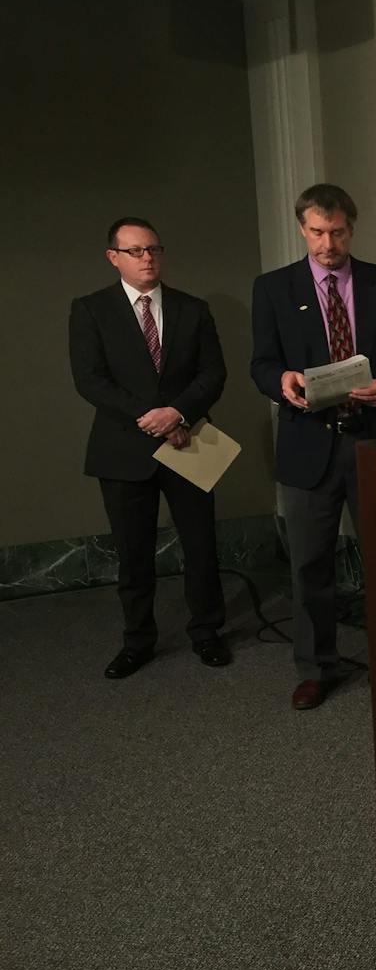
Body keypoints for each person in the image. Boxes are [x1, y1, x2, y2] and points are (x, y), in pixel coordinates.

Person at [251, 184, 376, 709]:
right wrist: (281, 379)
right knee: (310, 565)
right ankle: (315, 667)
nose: (328, 243)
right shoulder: (274, 288)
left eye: (338, 232)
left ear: (352, 228)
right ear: (302, 229)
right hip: (309, 446)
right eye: (317, 232)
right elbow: (260, 364)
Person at [69, 217, 230, 678]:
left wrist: (177, 414)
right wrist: (155, 420)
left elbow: (213, 374)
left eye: (154, 249)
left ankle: (207, 632)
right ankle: (138, 640)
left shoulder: (192, 309)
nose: (147, 259)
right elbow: (90, 380)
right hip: (122, 449)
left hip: (191, 441)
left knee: (201, 547)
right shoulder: (90, 309)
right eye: (136, 251)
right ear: (113, 257)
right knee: (133, 552)